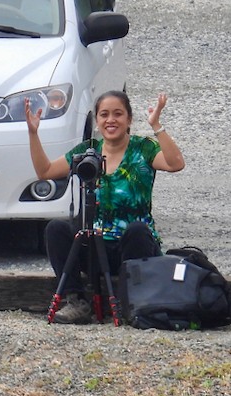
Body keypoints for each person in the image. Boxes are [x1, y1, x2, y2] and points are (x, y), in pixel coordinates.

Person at [26, 90, 185, 325]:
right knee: (56, 229)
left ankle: (133, 302)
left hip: (132, 247)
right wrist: (33, 133)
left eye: (118, 114)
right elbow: (45, 172)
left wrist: (157, 126)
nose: (111, 120)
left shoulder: (143, 148)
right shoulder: (87, 151)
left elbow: (175, 164)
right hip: (95, 245)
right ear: (97, 121)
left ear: (129, 119)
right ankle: (76, 302)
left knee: (137, 230)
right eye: (104, 115)